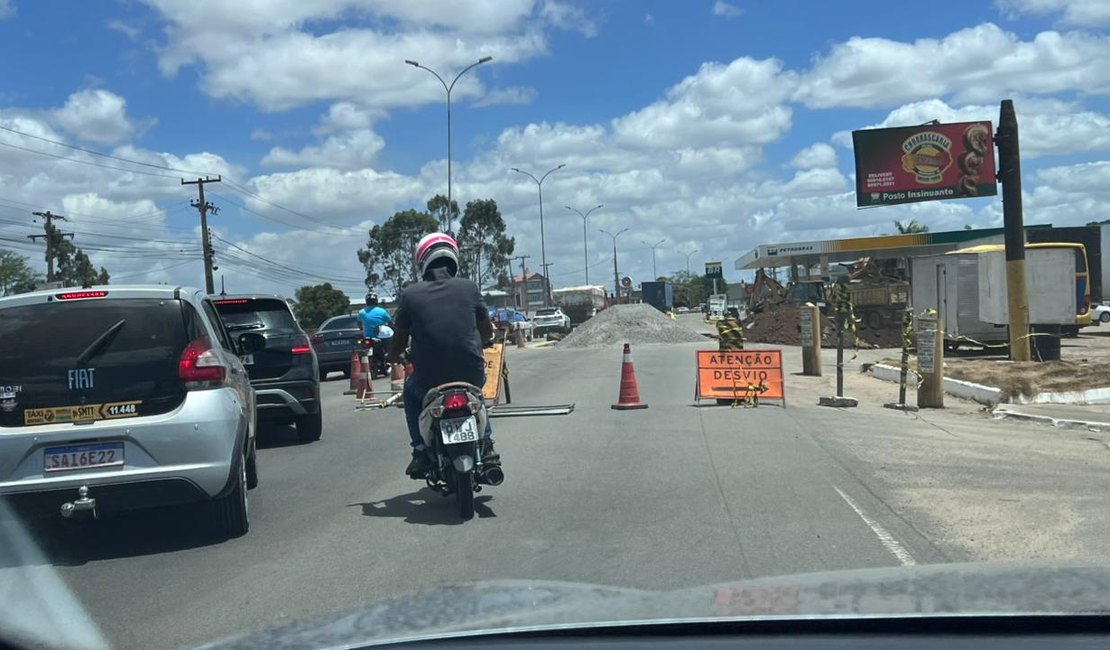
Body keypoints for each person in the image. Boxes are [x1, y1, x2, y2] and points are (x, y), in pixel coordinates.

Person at [387, 232, 499, 477]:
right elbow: (486, 330)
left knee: (410, 392)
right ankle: (487, 446)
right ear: (453, 258)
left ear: (422, 261)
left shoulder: (410, 295)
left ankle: (418, 449)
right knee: (477, 398)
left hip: (429, 378)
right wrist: (484, 341)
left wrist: (393, 355)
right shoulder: (470, 288)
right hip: (470, 372)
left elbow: (398, 339)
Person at [358, 293, 392, 378]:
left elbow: (359, 324)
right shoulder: (382, 311)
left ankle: (385, 360)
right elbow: (390, 322)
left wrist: (362, 329)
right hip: (379, 337)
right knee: (388, 346)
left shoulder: (361, 312)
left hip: (367, 337)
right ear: (376, 301)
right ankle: (387, 360)